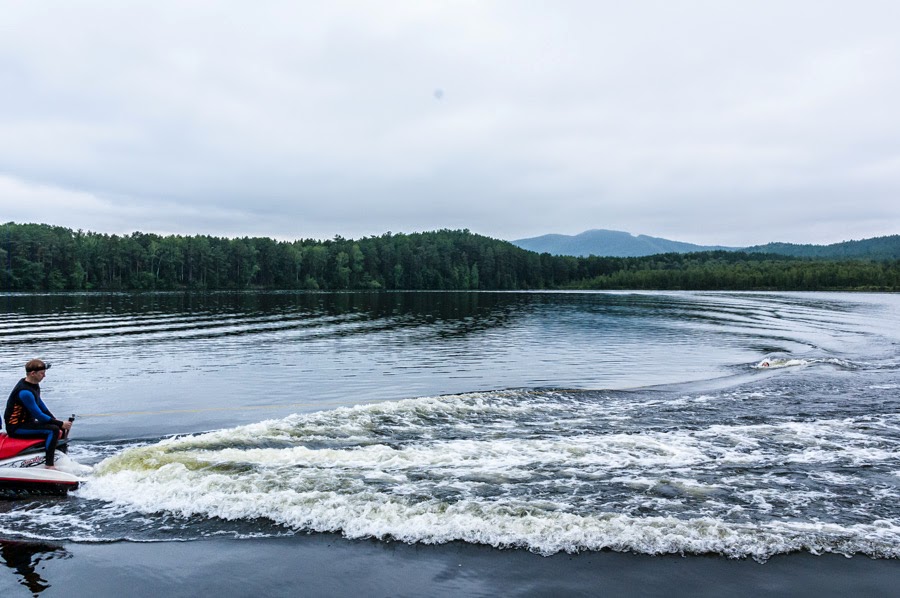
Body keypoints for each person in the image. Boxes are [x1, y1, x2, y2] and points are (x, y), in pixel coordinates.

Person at [4, 359, 72, 468]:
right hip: (16, 428)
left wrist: (57, 421)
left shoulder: (33, 385)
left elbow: (41, 405)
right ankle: (49, 465)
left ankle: (57, 455)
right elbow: (39, 415)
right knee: (53, 430)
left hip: (27, 423)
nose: (44, 376)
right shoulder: (24, 392)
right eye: (42, 373)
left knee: (60, 428)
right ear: (32, 373)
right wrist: (59, 424)